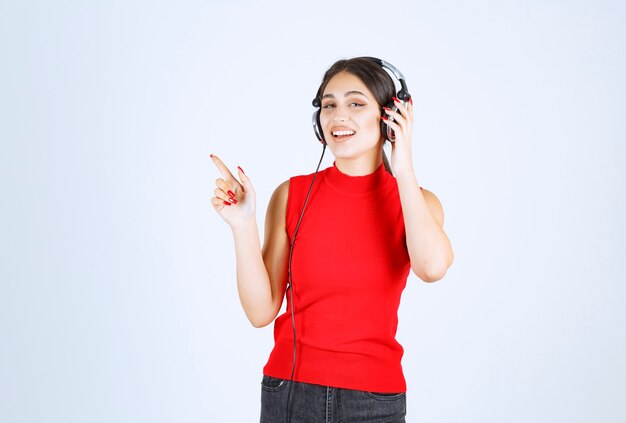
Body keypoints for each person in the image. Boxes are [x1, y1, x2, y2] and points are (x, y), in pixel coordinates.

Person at [209, 57, 454, 422]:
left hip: (374, 399)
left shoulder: (417, 201)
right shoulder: (291, 194)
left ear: (391, 115)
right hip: (289, 391)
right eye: (329, 105)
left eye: (356, 103)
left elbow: (432, 268)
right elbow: (261, 312)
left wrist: (403, 166)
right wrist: (242, 225)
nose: (339, 116)